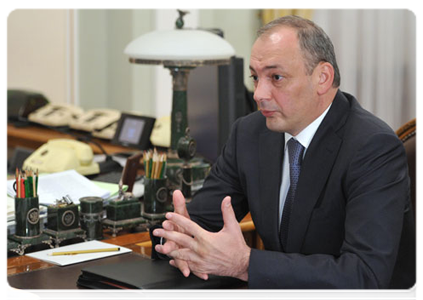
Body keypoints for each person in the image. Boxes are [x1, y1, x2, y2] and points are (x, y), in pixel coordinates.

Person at [152, 15, 419, 299]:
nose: (259, 94)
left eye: (276, 77)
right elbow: (199, 221)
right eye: (256, 77)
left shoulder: (373, 147)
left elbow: (363, 278)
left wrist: (245, 263)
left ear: (322, 78)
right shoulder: (249, 133)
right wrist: (178, 239)